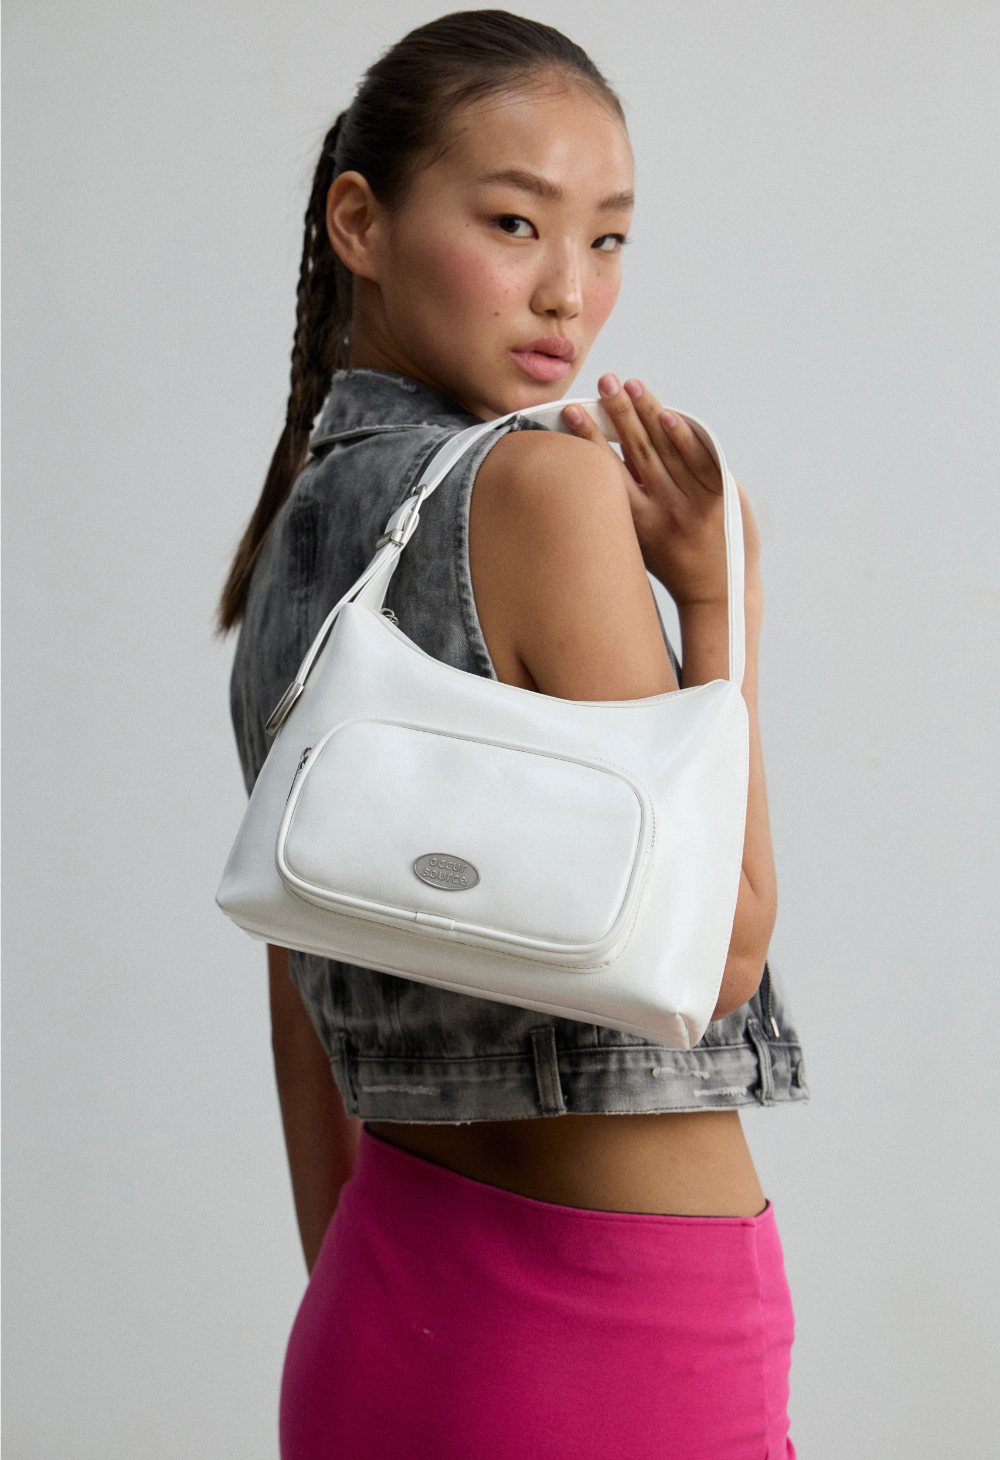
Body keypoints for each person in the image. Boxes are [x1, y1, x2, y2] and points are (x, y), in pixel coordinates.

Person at [220, 12, 807, 1458]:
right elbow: (716, 959)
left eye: (608, 238)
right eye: (513, 222)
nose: (569, 291)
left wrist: (383, 1322)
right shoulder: (547, 494)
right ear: (360, 222)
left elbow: (301, 1001)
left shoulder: (296, 542)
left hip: (379, 1310)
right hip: (618, 1343)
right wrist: (719, 601)